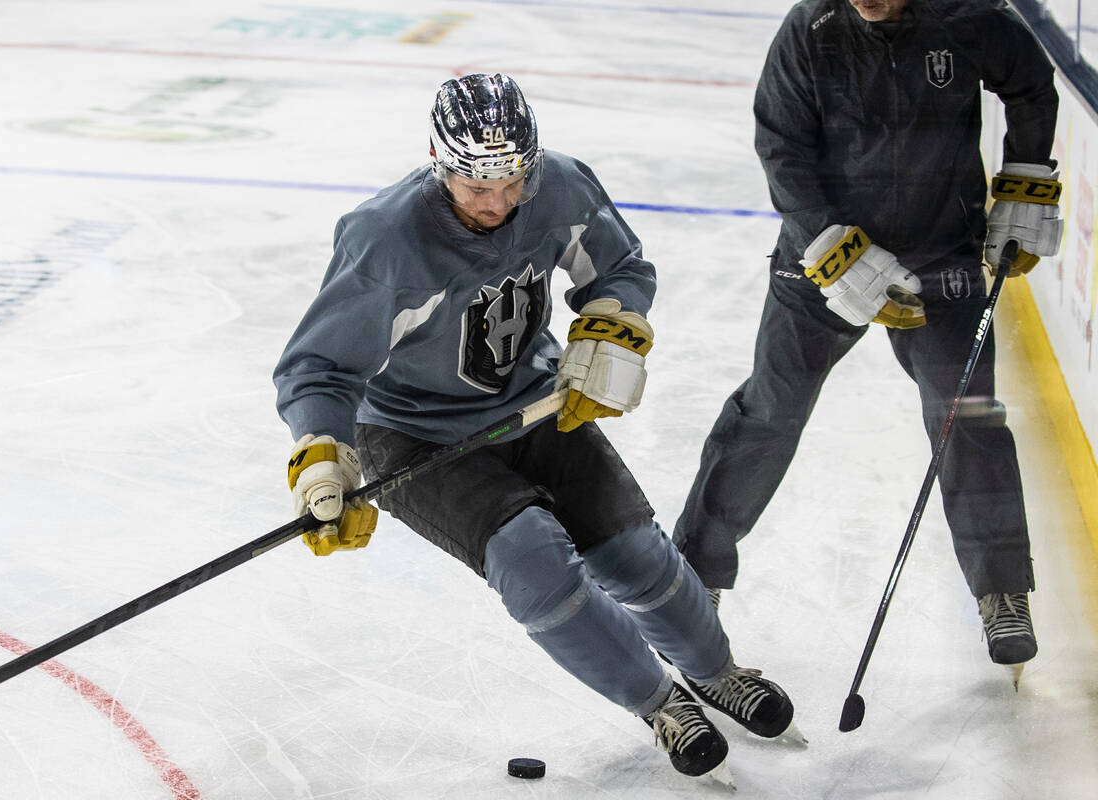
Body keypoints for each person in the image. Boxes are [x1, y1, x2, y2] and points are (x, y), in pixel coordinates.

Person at [274, 73, 799, 785]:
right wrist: (322, 456)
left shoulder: (560, 185)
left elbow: (619, 266)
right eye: (475, 187)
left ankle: (716, 670)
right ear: (438, 162)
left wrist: (610, 327)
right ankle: (659, 702)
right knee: (531, 558)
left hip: (532, 399)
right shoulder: (385, 240)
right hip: (416, 435)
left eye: (512, 182)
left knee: (633, 551)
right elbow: (320, 368)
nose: (497, 203)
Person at [672, 0, 1061, 686]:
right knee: (770, 411)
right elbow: (782, 146)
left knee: (967, 416)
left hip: (941, 254)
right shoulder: (810, 28)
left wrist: (1026, 184)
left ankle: (1002, 588)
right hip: (821, 260)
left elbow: (1031, 83)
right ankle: (693, 576)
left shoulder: (967, 14)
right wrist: (831, 246)